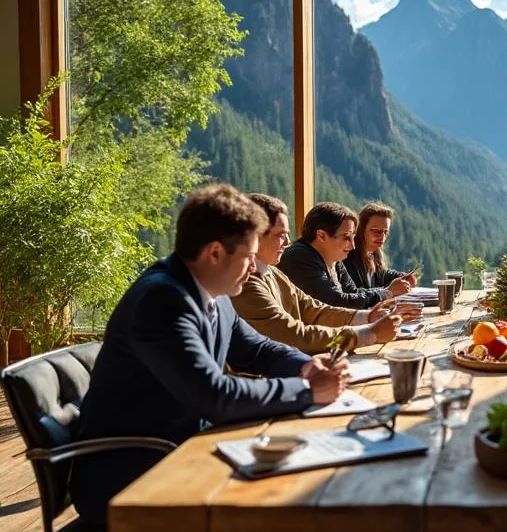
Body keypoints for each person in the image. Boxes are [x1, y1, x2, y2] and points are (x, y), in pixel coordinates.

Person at [69, 184, 348, 526]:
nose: (252, 269)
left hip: (186, 448)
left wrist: (305, 364)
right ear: (215, 253)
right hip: (133, 472)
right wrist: (308, 391)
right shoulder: (162, 302)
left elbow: (257, 349)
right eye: (248, 257)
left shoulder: (213, 294)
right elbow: (213, 395)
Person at [232, 193, 417, 354]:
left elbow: (312, 309)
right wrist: (369, 334)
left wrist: (367, 317)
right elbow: (294, 336)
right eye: (280, 235)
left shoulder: (270, 270)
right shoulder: (246, 282)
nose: (287, 241)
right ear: (254, 236)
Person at [277, 202, 407, 308]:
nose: (352, 246)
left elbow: (353, 292)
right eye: (346, 238)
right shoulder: (300, 258)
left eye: (353, 238)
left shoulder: (334, 259)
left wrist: (387, 292)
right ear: (322, 235)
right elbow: (337, 301)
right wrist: (387, 293)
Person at [343, 202, 418, 292]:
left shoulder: (373, 255)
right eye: (376, 231)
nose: (382, 237)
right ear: (361, 229)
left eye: (385, 232)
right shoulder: (348, 256)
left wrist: (404, 277)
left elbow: (383, 275)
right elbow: (355, 294)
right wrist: (389, 291)